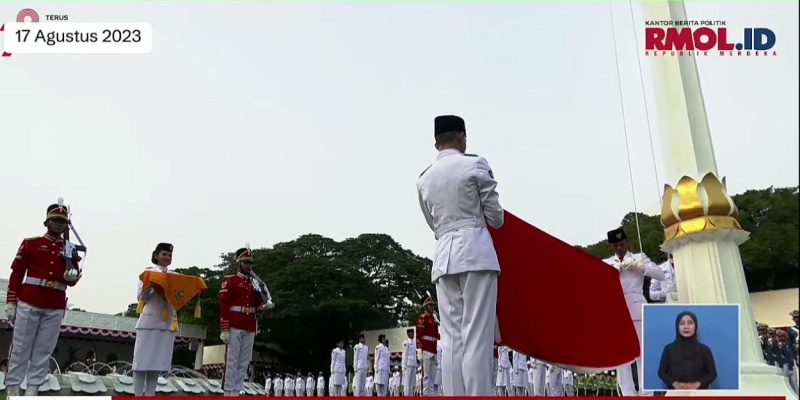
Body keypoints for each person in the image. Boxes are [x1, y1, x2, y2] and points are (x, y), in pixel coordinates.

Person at [416, 114, 504, 396]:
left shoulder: (424, 179)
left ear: (435, 143)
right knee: (477, 336)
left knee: (452, 340)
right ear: (462, 136)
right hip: (476, 252)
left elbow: (432, 224)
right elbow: (497, 218)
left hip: (443, 257)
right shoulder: (474, 164)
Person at [4, 203, 82, 396]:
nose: (59, 224)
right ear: (46, 222)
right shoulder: (31, 243)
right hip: (30, 299)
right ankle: (13, 389)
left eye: (63, 222)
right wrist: (11, 302)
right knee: (21, 348)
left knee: (44, 350)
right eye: (55, 220)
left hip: (55, 303)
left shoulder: (69, 249)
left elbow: (71, 278)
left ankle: (33, 390)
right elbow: (17, 273)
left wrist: (72, 274)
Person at [603, 227, 666, 396]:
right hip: (617, 312)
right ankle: (628, 393)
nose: (619, 248)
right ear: (612, 247)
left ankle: (647, 394)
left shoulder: (640, 258)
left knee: (642, 355)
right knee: (621, 357)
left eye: (621, 244)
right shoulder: (607, 263)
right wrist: (609, 273)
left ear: (627, 242)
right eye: (615, 246)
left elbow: (661, 275)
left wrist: (641, 267)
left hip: (638, 309)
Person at [220, 247, 268, 396]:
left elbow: (258, 304)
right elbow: (224, 305)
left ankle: (236, 390)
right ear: (239, 263)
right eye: (246, 262)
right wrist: (224, 328)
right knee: (232, 360)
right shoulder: (231, 281)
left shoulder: (255, 283)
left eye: (250, 263)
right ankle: (228, 391)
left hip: (249, 323)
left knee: (244, 361)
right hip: (235, 323)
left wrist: (263, 306)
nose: (249, 265)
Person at [132, 243, 178, 396]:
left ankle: (150, 395)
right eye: (164, 254)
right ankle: (138, 395)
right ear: (156, 255)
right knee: (141, 363)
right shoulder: (148, 272)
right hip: (149, 320)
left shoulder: (175, 276)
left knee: (155, 365)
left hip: (166, 322)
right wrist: (151, 284)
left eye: (169, 255)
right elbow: (141, 297)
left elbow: (179, 297)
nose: (167, 257)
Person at [657, 311, 717, 390]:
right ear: (677, 326)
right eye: (682, 323)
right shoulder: (669, 349)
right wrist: (675, 383)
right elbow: (662, 372)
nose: (686, 327)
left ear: (696, 326)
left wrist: (697, 384)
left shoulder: (704, 350)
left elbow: (712, 374)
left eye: (690, 323)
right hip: (676, 393)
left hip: (699, 392)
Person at [415, 296, 439, 396]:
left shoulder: (434, 319)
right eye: (430, 305)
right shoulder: (422, 318)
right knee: (426, 376)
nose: (432, 307)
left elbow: (437, 335)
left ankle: (431, 395)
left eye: (433, 305)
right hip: (426, 349)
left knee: (433, 377)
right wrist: (419, 349)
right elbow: (419, 335)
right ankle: (425, 395)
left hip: (433, 348)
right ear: (425, 306)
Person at [401, 328, 417, 396]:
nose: (413, 334)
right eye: (411, 333)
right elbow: (404, 354)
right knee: (407, 382)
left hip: (413, 364)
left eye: (413, 333)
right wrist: (403, 365)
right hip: (408, 364)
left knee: (412, 383)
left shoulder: (414, 343)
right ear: (408, 334)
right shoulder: (406, 343)